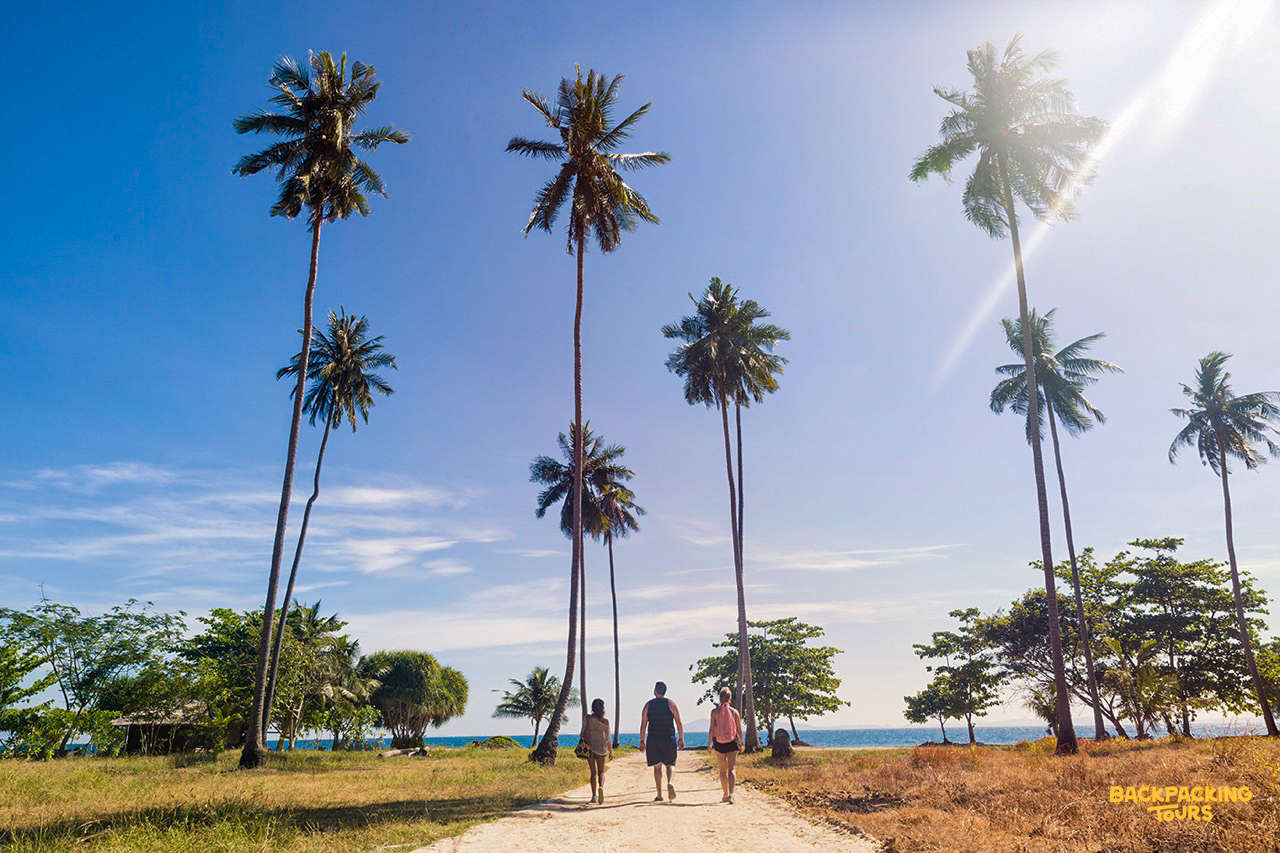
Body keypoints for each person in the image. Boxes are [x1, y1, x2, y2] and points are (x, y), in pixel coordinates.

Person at [638, 681, 684, 802]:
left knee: (657, 767)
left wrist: (642, 741)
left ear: (655, 691)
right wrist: (681, 738)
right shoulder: (671, 704)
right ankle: (670, 782)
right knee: (670, 764)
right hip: (669, 738)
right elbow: (679, 722)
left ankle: (659, 795)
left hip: (654, 739)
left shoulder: (648, 705)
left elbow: (643, 724)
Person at [708, 686, 743, 803]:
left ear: (720, 698)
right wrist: (740, 743)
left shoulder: (714, 712)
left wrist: (709, 745)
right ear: (730, 698)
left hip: (719, 743)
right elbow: (739, 730)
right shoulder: (734, 712)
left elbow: (711, 729)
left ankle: (725, 794)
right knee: (731, 768)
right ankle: (732, 795)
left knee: (722, 770)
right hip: (732, 742)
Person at [580, 698, 612, 804]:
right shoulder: (605, 721)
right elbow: (608, 739)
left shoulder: (588, 718)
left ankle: (594, 796)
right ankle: (601, 787)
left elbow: (582, 733)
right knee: (601, 772)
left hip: (590, 748)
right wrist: (611, 752)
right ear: (602, 708)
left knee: (593, 773)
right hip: (601, 748)